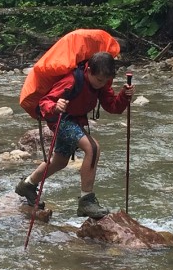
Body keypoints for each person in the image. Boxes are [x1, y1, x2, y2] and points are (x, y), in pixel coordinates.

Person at [15, 50, 132, 218]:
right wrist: (55, 106)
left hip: (75, 121)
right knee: (93, 148)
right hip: (60, 119)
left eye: (106, 80)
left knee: (60, 161)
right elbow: (44, 103)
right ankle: (86, 201)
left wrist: (124, 96)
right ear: (89, 70)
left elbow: (113, 107)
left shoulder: (101, 82)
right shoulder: (71, 80)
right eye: (99, 80)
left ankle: (27, 184)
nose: (102, 84)